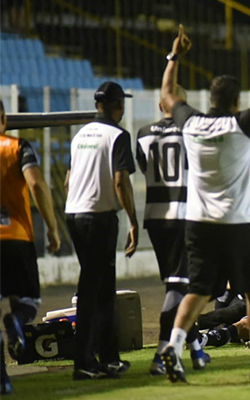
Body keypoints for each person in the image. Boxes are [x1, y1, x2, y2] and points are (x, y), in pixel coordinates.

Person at [158, 22, 250, 382]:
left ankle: (172, 348)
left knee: (198, 290)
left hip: (199, 222)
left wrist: (175, 55)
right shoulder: (242, 124)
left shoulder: (191, 123)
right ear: (236, 102)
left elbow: (168, 95)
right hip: (237, 223)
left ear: (210, 100)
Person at [64, 81, 139, 379]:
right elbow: (121, 182)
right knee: (93, 291)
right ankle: (84, 361)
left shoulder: (80, 135)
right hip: (99, 217)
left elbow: (69, 180)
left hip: (76, 213)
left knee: (102, 289)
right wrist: (133, 221)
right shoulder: (118, 135)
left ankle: (108, 358)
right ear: (118, 106)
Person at [135, 86, 209, 376]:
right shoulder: (191, 131)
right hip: (185, 215)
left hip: (155, 217)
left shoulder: (142, 133)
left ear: (159, 104)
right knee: (180, 285)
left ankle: (197, 350)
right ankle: (163, 351)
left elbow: (144, 168)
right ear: (182, 104)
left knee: (177, 284)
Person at [0, 99, 61, 394]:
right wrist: (51, 226)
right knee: (28, 301)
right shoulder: (18, 146)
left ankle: (3, 380)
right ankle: (16, 321)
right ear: (3, 118)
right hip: (16, 238)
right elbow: (36, 184)